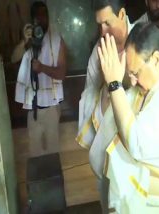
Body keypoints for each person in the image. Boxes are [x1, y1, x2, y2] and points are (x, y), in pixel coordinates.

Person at [98, 23, 159, 213]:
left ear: (157, 60)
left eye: (136, 73)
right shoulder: (155, 85)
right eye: (130, 74)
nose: (133, 81)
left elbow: (136, 142)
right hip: (141, 200)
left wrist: (114, 85)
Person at [76, 0, 134, 212]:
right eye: (99, 25)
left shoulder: (141, 40)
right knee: (108, 203)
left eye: (108, 23)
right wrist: (106, 88)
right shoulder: (97, 52)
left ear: (122, 14)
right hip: (105, 144)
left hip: (134, 150)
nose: (103, 32)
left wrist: (120, 82)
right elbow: (89, 92)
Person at [15, 1, 67, 157]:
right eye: (37, 16)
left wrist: (42, 68)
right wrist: (24, 42)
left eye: (44, 15)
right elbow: (13, 58)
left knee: (53, 151)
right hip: (33, 108)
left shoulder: (58, 40)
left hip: (51, 108)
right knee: (35, 153)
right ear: (32, 19)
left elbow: (61, 74)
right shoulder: (28, 39)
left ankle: (53, 181)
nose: (41, 18)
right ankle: (39, 180)